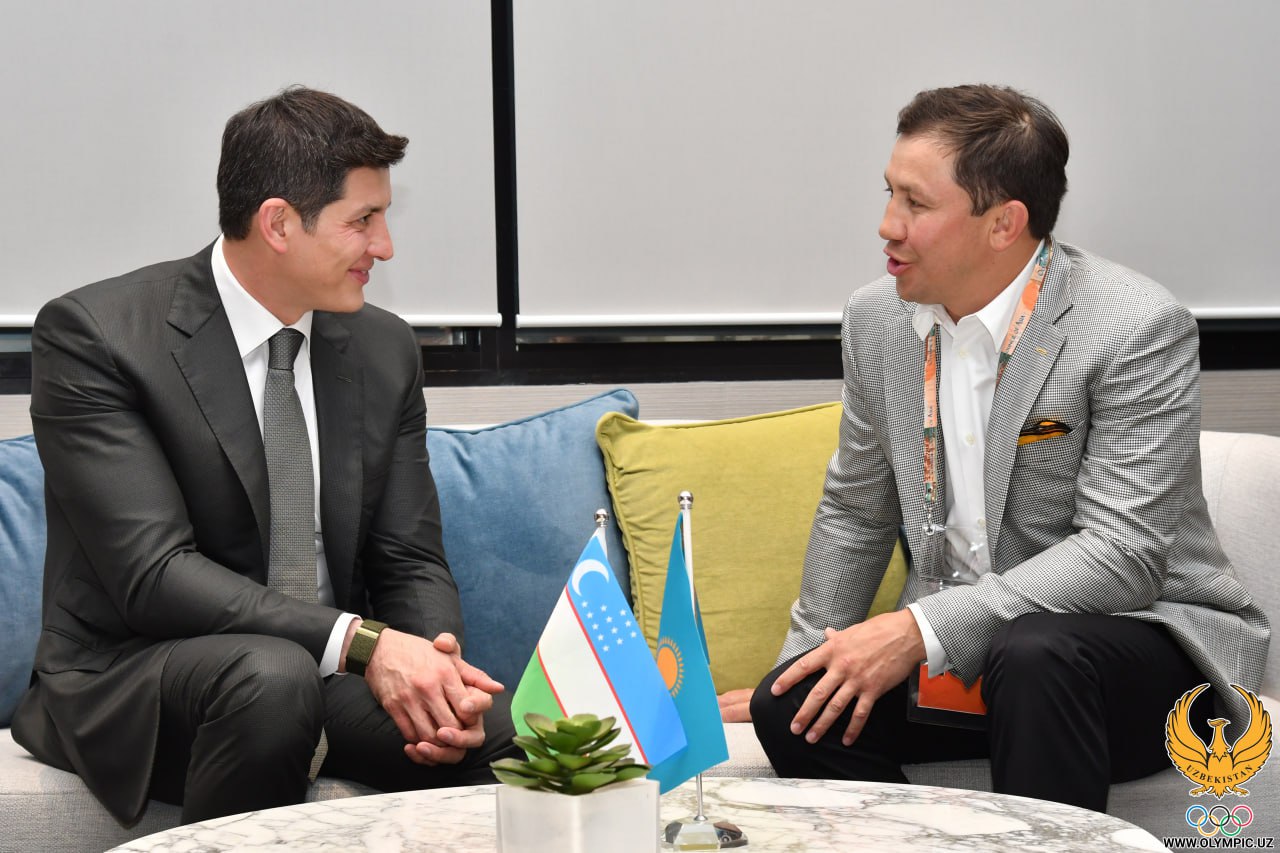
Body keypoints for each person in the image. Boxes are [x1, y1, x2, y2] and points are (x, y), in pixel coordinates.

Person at [746, 84, 1269, 811]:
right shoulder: (875, 319)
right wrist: (808, 662)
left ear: (1003, 224)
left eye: (916, 203)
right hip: (968, 658)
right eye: (889, 193)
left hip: (1139, 646)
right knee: (791, 707)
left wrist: (920, 629)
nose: (887, 225)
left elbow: (1123, 554)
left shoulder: (1135, 326)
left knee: (1035, 654)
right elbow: (856, 510)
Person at [11, 86, 517, 826]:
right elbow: (153, 574)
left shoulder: (383, 348)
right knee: (271, 678)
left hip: (321, 670)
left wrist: (434, 668)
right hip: (142, 669)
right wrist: (366, 645)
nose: (385, 246)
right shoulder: (99, 336)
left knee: (499, 735)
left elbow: (407, 557)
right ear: (278, 223)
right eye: (363, 220)